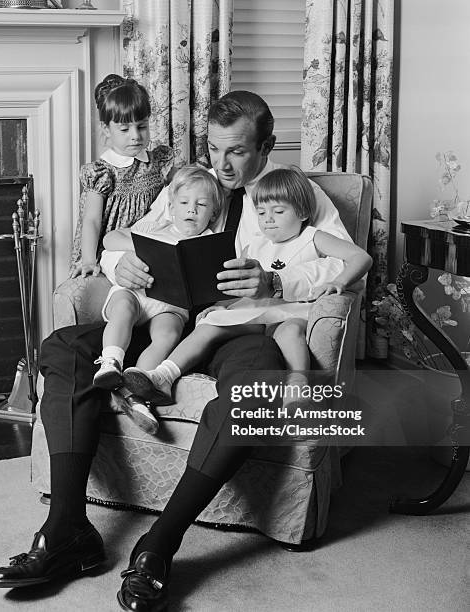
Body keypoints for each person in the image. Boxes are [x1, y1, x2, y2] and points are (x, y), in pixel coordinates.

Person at [0, 91, 353, 612]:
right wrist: (123, 267)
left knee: (255, 397)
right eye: (213, 148)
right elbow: (128, 241)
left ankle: (158, 545)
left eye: (237, 152)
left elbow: (343, 271)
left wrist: (276, 282)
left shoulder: (295, 193)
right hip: (166, 317)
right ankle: (66, 529)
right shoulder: (188, 184)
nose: (222, 165)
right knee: (66, 346)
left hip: (241, 329)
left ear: (268, 146)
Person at [122, 166, 372, 411]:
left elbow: (361, 257)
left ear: (303, 212)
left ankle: (298, 385)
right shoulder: (254, 246)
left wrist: (338, 281)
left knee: (290, 332)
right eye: (261, 213)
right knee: (210, 326)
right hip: (258, 310)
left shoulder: (313, 237)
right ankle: (163, 376)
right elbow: (236, 287)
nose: (269, 220)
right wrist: (219, 306)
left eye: (278, 211)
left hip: (293, 309)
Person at [93, 165, 225, 434]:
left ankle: (138, 392)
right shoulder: (154, 227)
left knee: (168, 334)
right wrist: (141, 246)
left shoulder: (210, 244)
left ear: (213, 213)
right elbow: (109, 238)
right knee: (123, 310)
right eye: (184, 203)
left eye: (201, 205)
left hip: (171, 305)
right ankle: (110, 362)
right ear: (172, 207)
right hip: (136, 293)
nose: (192, 210)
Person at [69, 73, 174, 279]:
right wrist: (89, 260)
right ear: (106, 129)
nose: (135, 135)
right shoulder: (103, 173)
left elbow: (180, 187)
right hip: (111, 251)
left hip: (148, 247)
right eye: (125, 129)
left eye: (142, 126)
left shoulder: (159, 162)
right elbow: (91, 220)